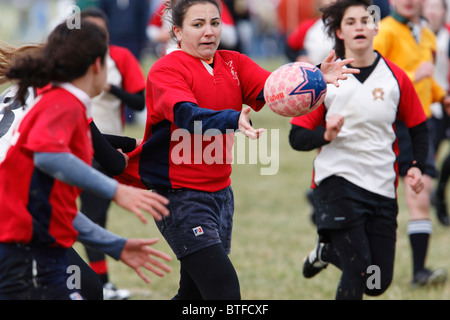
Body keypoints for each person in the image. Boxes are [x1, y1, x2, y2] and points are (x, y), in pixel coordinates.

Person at [116, 0, 359, 300]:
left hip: (221, 195)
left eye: (215, 23)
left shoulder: (233, 62)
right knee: (224, 291)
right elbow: (187, 117)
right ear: (177, 31)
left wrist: (315, 77)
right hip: (180, 198)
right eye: (198, 24)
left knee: (193, 297)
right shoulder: (166, 70)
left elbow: (274, 88)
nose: (209, 32)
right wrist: (234, 119)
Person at [0, 20, 170, 300]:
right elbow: (49, 157)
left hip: (29, 233)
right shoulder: (62, 103)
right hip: (18, 241)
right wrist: (117, 190)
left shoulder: (51, 96)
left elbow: (55, 206)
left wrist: (115, 245)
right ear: (96, 65)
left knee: (88, 288)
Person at [290, 0, 429, 300]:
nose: (359, 27)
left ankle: (326, 251)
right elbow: (297, 137)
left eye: (366, 20)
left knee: (376, 283)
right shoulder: (324, 79)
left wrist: (416, 164)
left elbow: (419, 127)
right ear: (339, 31)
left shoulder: (396, 77)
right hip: (337, 183)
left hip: (381, 187)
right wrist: (324, 134)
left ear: (376, 26)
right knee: (357, 267)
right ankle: (335, 249)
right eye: (351, 22)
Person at [373, 0, 450, 287]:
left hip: (423, 123)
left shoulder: (426, 33)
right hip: (394, 124)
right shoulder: (386, 32)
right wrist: (413, 76)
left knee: (421, 191)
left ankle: (419, 272)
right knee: (380, 198)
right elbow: (373, 75)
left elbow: (428, 81)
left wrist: (442, 96)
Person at [78, 8, 147, 300]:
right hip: (80, 146)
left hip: (100, 145)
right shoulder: (69, 76)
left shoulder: (120, 57)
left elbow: (139, 101)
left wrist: (112, 89)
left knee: (91, 215)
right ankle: (101, 283)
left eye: (101, 34)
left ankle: (100, 283)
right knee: (90, 215)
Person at [423, 0, 450, 226]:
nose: (433, 11)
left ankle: (440, 194)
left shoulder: (448, 36)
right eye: (429, 6)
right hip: (427, 106)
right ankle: (427, 202)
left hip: (447, 102)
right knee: (428, 160)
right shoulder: (416, 36)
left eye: (437, 7)